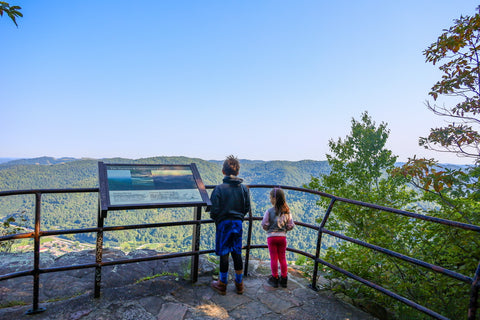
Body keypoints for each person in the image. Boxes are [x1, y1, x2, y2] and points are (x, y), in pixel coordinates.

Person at [209, 155, 251, 295]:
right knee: (237, 252)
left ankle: (222, 283)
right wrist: (238, 218)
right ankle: (239, 284)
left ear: (223, 172)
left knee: (224, 254)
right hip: (237, 223)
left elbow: (214, 211)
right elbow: (246, 208)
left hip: (223, 224)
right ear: (238, 172)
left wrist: (219, 220)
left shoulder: (219, 189)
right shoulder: (244, 189)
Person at [261, 187, 294, 288]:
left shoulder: (269, 211)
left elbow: (264, 224)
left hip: (271, 238)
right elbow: (290, 225)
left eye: (271, 197)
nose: (270, 199)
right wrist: (285, 229)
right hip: (282, 238)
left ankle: (274, 278)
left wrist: (268, 228)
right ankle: (284, 279)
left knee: (274, 258)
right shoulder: (287, 212)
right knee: (282, 258)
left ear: (274, 198)